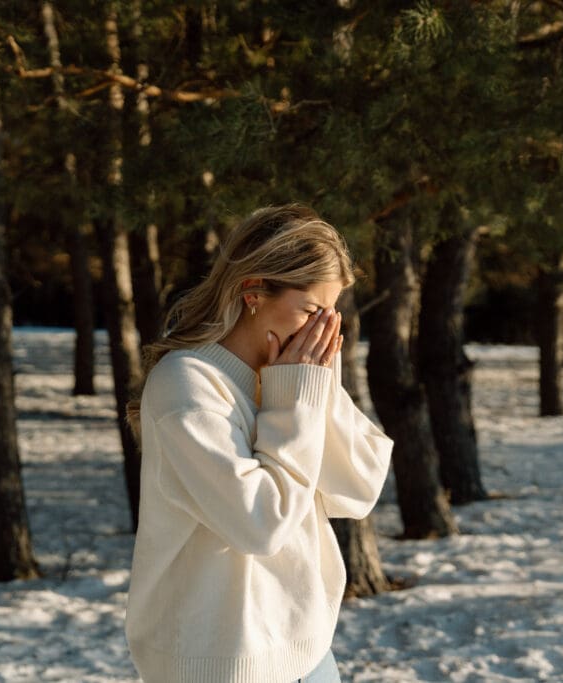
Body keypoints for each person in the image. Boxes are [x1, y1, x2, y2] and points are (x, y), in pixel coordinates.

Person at [124, 204, 394, 683]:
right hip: (220, 664)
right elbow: (261, 526)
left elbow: (359, 488)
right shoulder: (187, 386)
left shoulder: (293, 374)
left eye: (332, 313)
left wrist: (317, 385)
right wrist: (295, 400)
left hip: (307, 651)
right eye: (310, 310)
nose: (323, 330)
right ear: (252, 291)